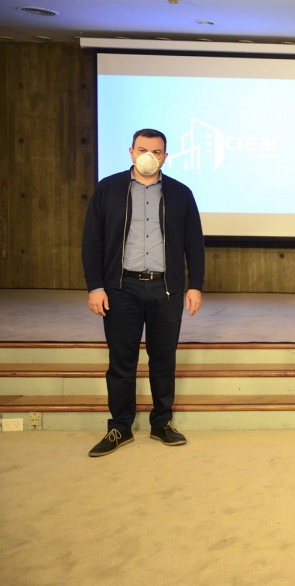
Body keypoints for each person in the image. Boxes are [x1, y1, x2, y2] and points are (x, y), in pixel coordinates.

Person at [82, 128, 205, 457]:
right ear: (131, 152)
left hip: (166, 289)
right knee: (121, 361)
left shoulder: (180, 193)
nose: (149, 156)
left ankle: (162, 423)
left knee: (163, 360)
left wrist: (195, 285)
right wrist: (95, 286)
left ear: (165, 156)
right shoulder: (108, 189)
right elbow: (92, 240)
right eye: (142, 149)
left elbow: (194, 243)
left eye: (157, 151)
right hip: (121, 287)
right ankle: (120, 427)